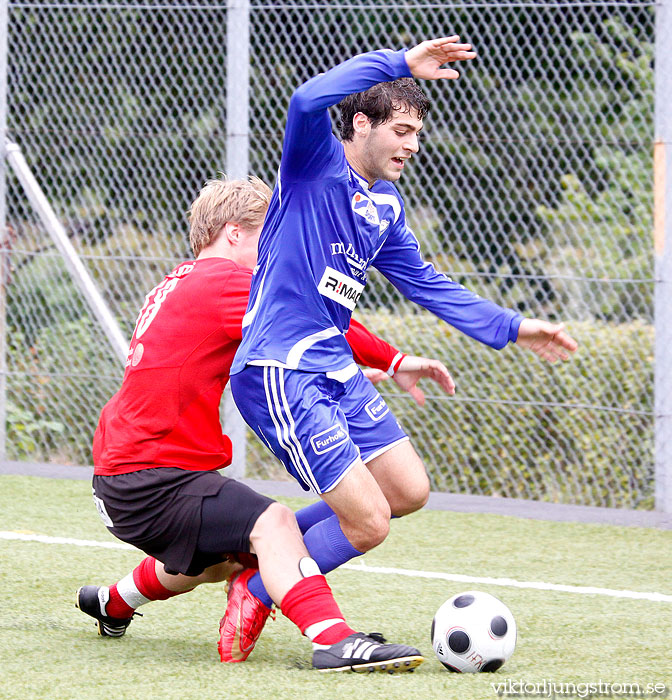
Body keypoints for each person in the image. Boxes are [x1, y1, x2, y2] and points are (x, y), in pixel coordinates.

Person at [226, 36, 579, 656]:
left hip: (333, 366)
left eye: (419, 132)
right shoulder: (313, 165)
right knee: (368, 522)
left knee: (406, 491)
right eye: (404, 130)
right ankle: (260, 588)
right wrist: (399, 63)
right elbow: (307, 98)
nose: (414, 146)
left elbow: (428, 284)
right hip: (279, 367)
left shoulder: (385, 203)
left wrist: (514, 327)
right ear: (362, 123)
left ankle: (269, 550)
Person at [77, 176, 455, 672]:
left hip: (128, 475)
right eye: (267, 237)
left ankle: (111, 603)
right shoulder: (226, 282)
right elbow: (314, 318)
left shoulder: (183, 281)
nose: (274, 253)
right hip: (150, 476)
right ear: (233, 233)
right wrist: (395, 358)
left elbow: (279, 347)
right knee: (271, 524)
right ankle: (333, 640)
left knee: (219, 562)